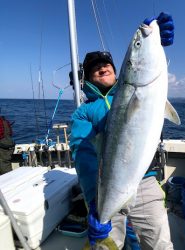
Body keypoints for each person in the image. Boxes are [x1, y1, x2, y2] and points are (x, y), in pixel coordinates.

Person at [70, 12, 174, 249]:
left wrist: (155, 44)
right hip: (105, 187)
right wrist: (94, 203)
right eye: (95, 67)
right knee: (105, 245)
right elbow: (84, 156)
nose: (102, 68)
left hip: (145, 179)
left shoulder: (130, 91)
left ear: (119, 71)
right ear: (86, 78)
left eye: (107, 64)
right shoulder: (83, 113)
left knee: (160, 243)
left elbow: (147, 70)